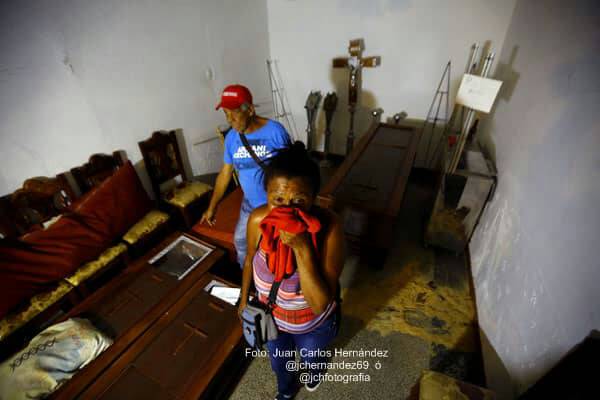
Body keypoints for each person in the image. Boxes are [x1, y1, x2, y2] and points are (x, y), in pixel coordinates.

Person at [239, 142, 345, 400]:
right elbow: (250, 259)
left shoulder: (329, 230)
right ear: (266, 195)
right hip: (273, 318)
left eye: (299, 201)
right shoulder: (257, 220)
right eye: (278, 200)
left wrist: (301, 246)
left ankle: (315, 371)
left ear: (314, 198)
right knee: (279, 365)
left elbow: (320, 303)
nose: (287, 209)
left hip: (313, 324)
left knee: (311, 357)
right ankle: (285, 392)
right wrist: (243, 300)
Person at [200, 84, 291, 267]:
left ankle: (273, 284)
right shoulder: (232, 139)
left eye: (234, 113)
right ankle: (247, 276)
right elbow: (225, 174)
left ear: (250, 109)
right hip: (249, 205)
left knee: (278, 248)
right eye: (226, 115)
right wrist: (212, 206)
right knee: (240, 241)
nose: (230, 120)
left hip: (275, 205)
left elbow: (291, 170)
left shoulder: (275, 131)